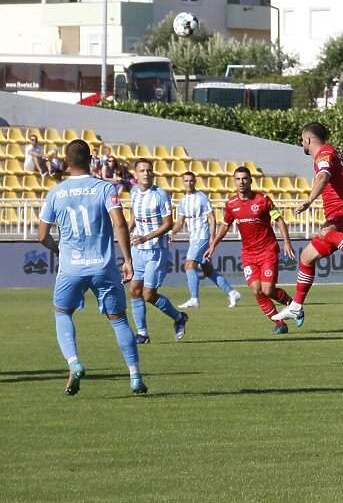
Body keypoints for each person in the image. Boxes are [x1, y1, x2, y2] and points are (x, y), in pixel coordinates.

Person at [37, 139, 147, 395]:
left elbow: (42, 235)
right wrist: (128, 260)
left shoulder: (56, 192)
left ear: (66, 162)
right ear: (90, 160)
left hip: (70, 268)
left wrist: (57, 249)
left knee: (62, 313)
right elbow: (120, 224)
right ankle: (135, 377)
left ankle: (74, 363)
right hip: (103, 267)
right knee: (119, 320)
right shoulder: (104, 188)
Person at [271, 122, 343, 326]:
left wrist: (308, 200)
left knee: (325, 232)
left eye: (302, 140)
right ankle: (296, 306)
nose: (302, 144)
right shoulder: (336, 156)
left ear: (307, 139)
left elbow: (323, 177)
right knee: (306, 257)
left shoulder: (323, 155)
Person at [204, 166, 296, 334]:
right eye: (238, 179)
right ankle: (280, 323)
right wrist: (213, 245)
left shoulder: (263, 200)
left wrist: (287, 243)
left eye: (244, 178)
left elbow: (279, 221)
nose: (241, 182)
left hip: (267, 250)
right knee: (256, 290)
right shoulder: (231, 204)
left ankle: (293, 305)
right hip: (248, 254)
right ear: (234, 181)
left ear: (250, 181)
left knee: (268, 290)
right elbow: (225, 226)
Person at [128, 158, 189, 344]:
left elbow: (168, 223)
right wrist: (124, 233)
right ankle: (142, 334)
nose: (146, 173)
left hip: (156, 250)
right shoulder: (133, 193)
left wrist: (147, 237)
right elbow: (134, 216)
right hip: (138, 249)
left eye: (149, 170)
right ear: (136, 175)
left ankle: (179, 317)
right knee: (134, 290)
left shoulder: (160, 195)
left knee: (148, 295)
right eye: (142, 170)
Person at [170, 171, 241, 310]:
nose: (189, 183)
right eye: (186, 181)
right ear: (182, 182)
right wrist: (173, 232)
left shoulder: (201, 198)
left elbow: (212, 218)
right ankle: (233, 293)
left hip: (202, 236)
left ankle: (194, 299)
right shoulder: (183, 201)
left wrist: (212, 238)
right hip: (194, 238)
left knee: (189, 266)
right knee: (208, 271)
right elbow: (180, 221)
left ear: (195, 181)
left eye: (191, 180)